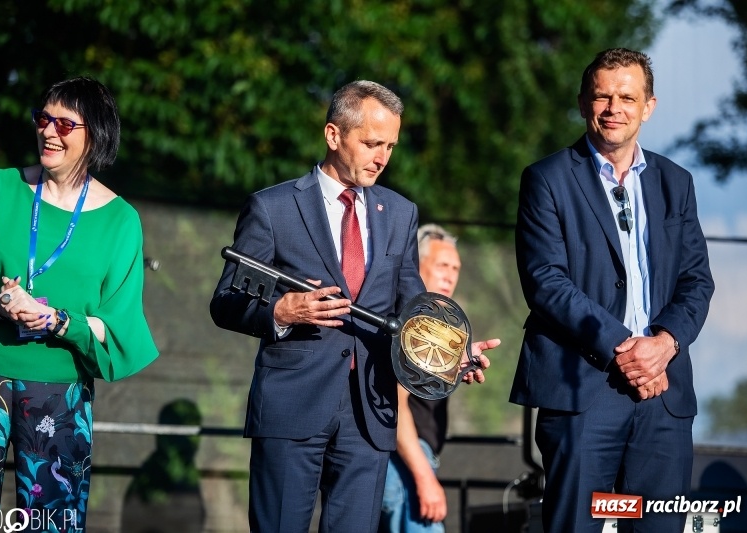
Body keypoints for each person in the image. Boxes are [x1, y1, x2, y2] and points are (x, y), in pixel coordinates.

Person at [210, 80, 498, 533]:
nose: (382, 156)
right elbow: (226, 301)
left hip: (371, 411)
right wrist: (281, 313)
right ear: (333, 135)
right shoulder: (273, 208)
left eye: (390, 145)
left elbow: (411, 309)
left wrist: (450, 353)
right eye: (371, 142)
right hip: (292, 408)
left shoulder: (401, 213)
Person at [510, 48, 715, 532]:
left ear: (649, 106)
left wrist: (662, 345)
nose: (613, 108)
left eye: (627, 97)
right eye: (602, 96)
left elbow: (696, 279)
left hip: (663, 397)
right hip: (584, 391)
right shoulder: (546, 179)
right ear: (583, 103)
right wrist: (629, 351)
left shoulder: (676, 182)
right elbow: (546, 282)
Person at [0, 77, 159, 529]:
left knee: (53, 522)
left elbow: (117, 327)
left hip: (59, 393)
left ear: (96, 134)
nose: (49, 131)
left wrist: (57, 320)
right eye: (43, 118)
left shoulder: (121, 221)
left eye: (65, 124)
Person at [381, 223, 481, 533]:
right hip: (402, 463)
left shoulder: (439, 322)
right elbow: (394, 406)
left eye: (456, 267)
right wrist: (425, 479)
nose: (450, 274)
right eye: (442, 265)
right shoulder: (411, 321)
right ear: (414, 265)